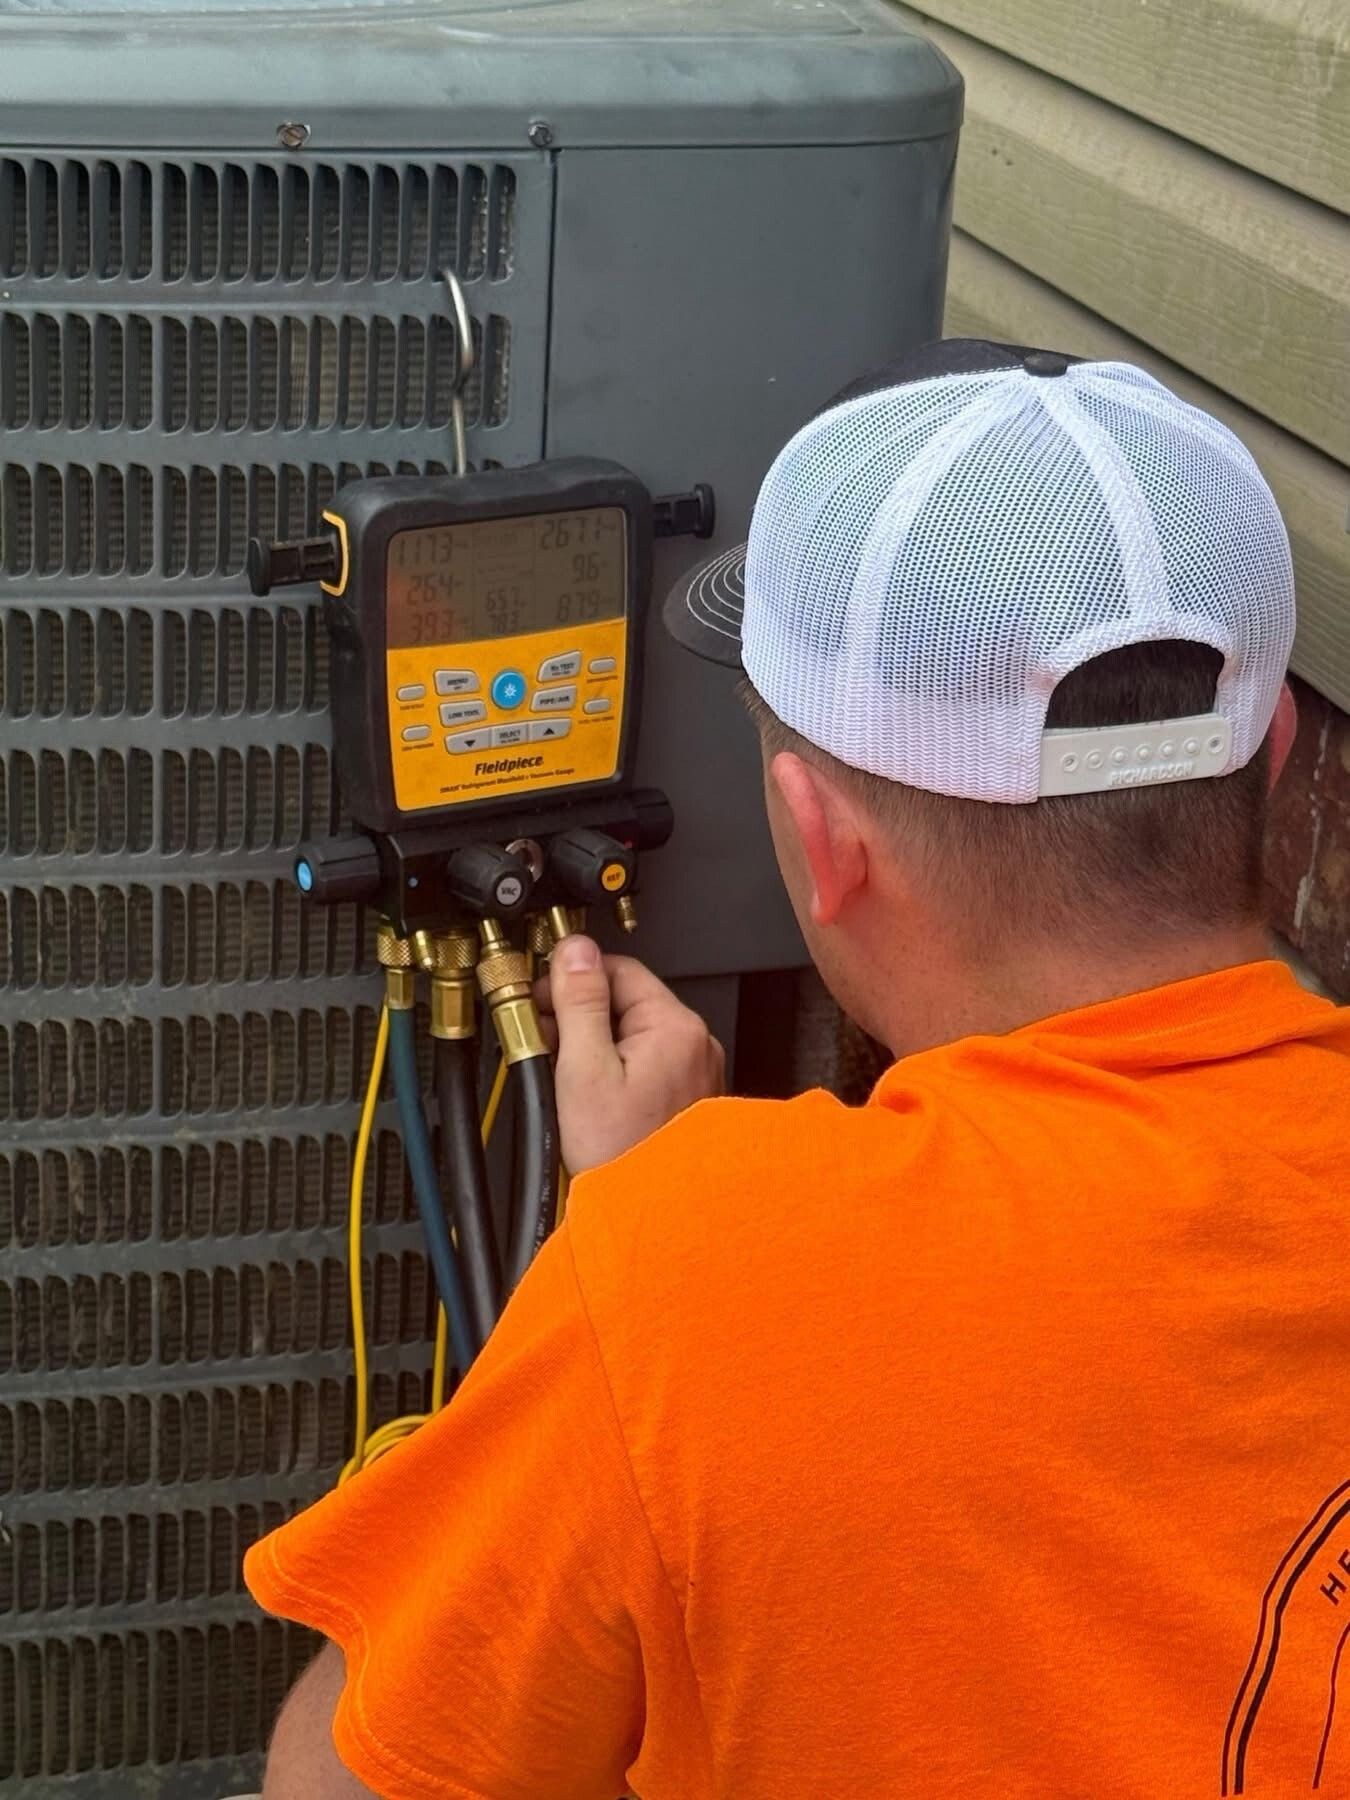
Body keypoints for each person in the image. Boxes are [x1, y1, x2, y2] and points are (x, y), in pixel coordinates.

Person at [246, 340, 1350, 1799]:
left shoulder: (699, 1278)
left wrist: (652, 1256)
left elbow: (343, 1783)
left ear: (817, 839)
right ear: (1272, 756)